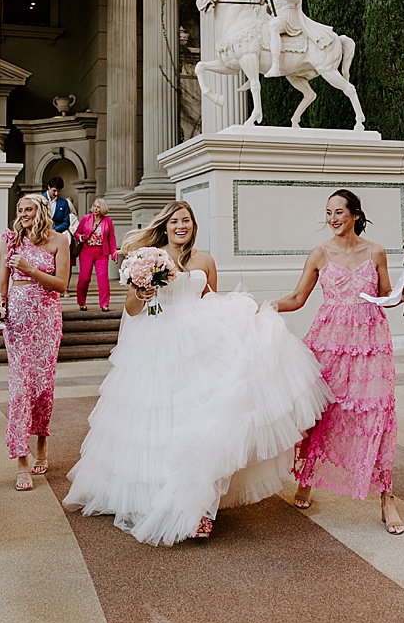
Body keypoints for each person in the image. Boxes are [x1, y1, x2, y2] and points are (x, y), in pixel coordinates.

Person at [63, 200, 331, 545]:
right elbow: (130, 308)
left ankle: (201, 506)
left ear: (193, 226)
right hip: (158, 343)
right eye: (175, 220)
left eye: (186, 221)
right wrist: (143, 293)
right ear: (166, 224)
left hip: (199, 344)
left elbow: (212, 303)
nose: (180, 226)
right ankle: (155, 497)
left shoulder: (205, 261)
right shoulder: (148, 256)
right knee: (157, 421)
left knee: (206, 420)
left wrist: (244, 319)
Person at [271, 190, 404, 536]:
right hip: (328, 342)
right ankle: (306, 478)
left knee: (377, 413)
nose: (333, 218)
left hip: (371, 344)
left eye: (339, 212)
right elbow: (297, 298)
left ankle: (386, 496)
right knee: (320, 410)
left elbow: (387, 298)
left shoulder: (376, 251)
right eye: (328, 213)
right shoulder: (320, 254)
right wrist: (263, 307)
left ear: (354, 215)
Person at [0, 194, 70, 491]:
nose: (23, 214)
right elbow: (2, 283)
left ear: (41, 211)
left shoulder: (58, 241)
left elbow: (62, 285)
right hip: (18, 322)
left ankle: (42, 443)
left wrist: (30, 270)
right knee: (20, 387)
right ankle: (22, 460)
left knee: (43, 385)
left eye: (28, 209)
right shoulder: (11, 240)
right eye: (19, 209)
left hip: (47, 319)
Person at [74, 198, 118, 311]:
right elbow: (77, 232)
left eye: (98, 207)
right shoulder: (86, 218)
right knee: (84, 278)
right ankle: (81, 301)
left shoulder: (107, 221)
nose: (95, 209)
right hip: (86, 251)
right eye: (94, 206)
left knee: (102, 278)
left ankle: (104, 304)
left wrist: (114, 253)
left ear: (102, 208)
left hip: (102, 252)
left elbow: (111, 238)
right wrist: (80, 237)